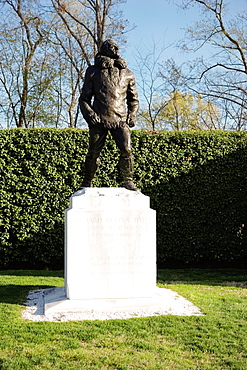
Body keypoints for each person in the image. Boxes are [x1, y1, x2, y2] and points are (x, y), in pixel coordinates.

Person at [79, 39, 139, 191]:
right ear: (104, 49)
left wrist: (133, 114)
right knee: (93, 152)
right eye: (111, 47)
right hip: (99, 118)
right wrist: (90, 114)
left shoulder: (128, 74)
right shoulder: (93, 71)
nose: (115, 49)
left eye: (116, 47)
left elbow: (134, 99)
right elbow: (84, 99)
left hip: (120, 119)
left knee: (127, 150)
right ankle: (87, 181)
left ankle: (128, 180)